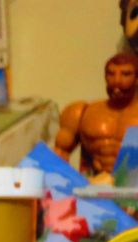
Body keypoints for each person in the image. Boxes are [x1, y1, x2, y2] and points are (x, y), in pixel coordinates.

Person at [55, 53, 138, 184]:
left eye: (125, 74)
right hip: (95, 188)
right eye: (111, 74)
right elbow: (59, 154)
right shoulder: (81, 112)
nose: (117, 80)